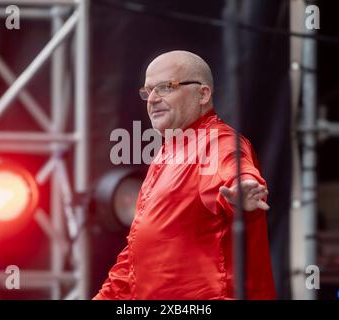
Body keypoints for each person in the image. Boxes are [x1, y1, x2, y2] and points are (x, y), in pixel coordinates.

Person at [93, 50, 276, 299]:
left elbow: (233, 169)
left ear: (203, 94)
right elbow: (136, 255)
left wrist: (242, 187)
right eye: (148, 91)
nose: (153, 99)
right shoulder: (168, 153)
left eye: (165, 87)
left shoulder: (215, 140)